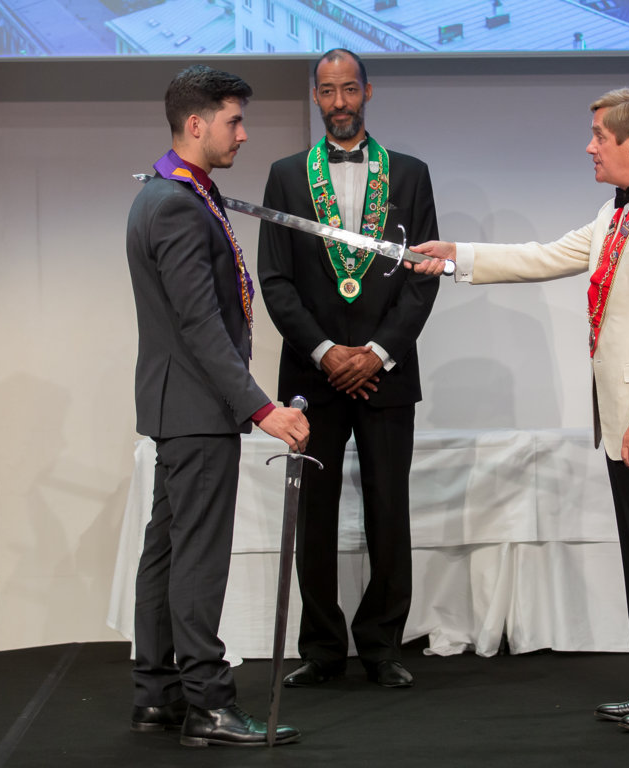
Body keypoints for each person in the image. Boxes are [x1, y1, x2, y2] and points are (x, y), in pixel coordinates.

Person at [410, 89, 629, 733]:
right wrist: (457, 256)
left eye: (600, 135)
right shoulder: (620, 209)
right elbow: (547, 255)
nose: (590, 147)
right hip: (624, 418)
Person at [125, 65, 309, 747]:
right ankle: (207, 703)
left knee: (168, 551)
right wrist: (263, 410)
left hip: (178, 406)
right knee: (196, 557)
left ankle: (157, 695)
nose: (243, 133)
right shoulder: (176, 203)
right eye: (234, 120)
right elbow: (200, 325)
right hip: (197, 409)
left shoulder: (165, 192)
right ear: (196, 123)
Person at [257, 49, 440, 689]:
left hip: (387, 374)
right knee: (315, 515)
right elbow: (275, 280)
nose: (339, 103)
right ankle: (322, 648)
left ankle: (382, 647)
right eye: (328, 91)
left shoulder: (411, 175)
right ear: (315, 96)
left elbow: (422, 277)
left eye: (350, 90)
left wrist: (376, 353)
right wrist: (327, 352)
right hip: (313, 379)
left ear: (368, 92)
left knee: (389, 511)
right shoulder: (285, 175)